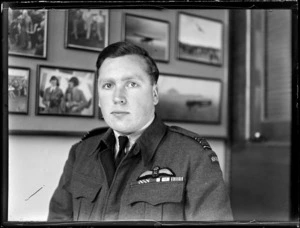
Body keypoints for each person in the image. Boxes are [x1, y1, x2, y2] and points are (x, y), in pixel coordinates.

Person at [48, 41, 233, 221]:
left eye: (131, 84)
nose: (118, 98)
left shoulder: (193, 156)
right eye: (108, 85)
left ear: (154, 94)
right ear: (98, 99)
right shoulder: (81, 153)